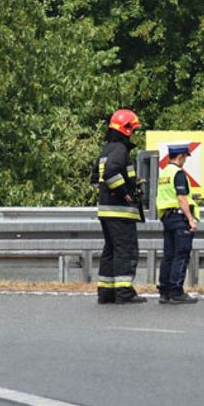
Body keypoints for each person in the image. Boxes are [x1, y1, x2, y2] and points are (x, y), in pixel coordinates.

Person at [93, 108, 145, 304]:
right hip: (120, 212)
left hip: (106, 210)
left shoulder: (106, 150)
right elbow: (110, 173)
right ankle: (124, 293)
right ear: (127, 129)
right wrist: (126, 194)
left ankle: (106, 292)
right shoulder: (120, 150)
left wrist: (113, 191)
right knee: (125, 251)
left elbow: (95, 179)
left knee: (111, 251)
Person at [157, 144, 199, 304]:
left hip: (167, 218)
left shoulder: (164, 173)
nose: (186, 160)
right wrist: (190, 219)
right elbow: (182, 198)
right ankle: (176, 291)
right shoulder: (178, 173)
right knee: (181, 255)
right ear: (181, 156)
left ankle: (165, 292)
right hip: (179, 217)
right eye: (186, 157)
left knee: (168, 256)